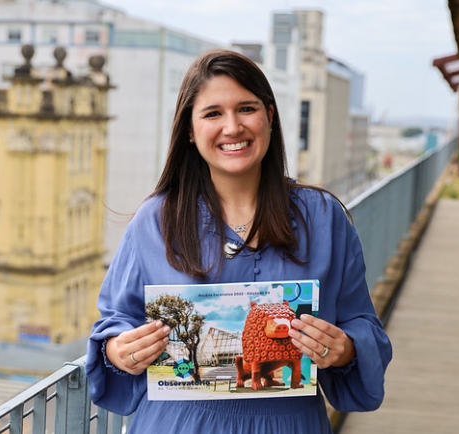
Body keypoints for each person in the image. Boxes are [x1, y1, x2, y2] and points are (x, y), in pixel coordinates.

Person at [85, 48, 392, 433]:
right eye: (213, 114)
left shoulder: (324, 217)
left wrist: (344, 348)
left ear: (270, 116)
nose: (232, 127)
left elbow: (364, 325)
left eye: (246, 109)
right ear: (190, 133)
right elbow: (114, 322)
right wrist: (120, 350)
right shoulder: (156, 220)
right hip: (178, 424)